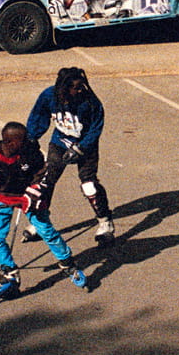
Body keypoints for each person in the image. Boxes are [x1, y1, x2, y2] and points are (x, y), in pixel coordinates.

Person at [0, 121, 88, 299]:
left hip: (28, 195)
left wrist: (34, 192)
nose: (29, 142)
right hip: (0, 195)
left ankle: (69, 265)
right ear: (10, 142)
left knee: (47, 231)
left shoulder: (32, 153)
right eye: (23, 140)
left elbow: (45, 174)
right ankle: (10, 273)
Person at [26, 66, 115, 246]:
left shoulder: (90, 102)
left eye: (81, 86)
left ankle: (105, 223)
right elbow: (38, 116)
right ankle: (40, 222)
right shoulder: (48, 96)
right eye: (74, 87)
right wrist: (30, 139)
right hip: (60, 141)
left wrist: (81, 148)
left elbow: (96, 128)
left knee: (88, 184)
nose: (78, 90)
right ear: (63, 87)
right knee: (45, 179)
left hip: (85, 145)